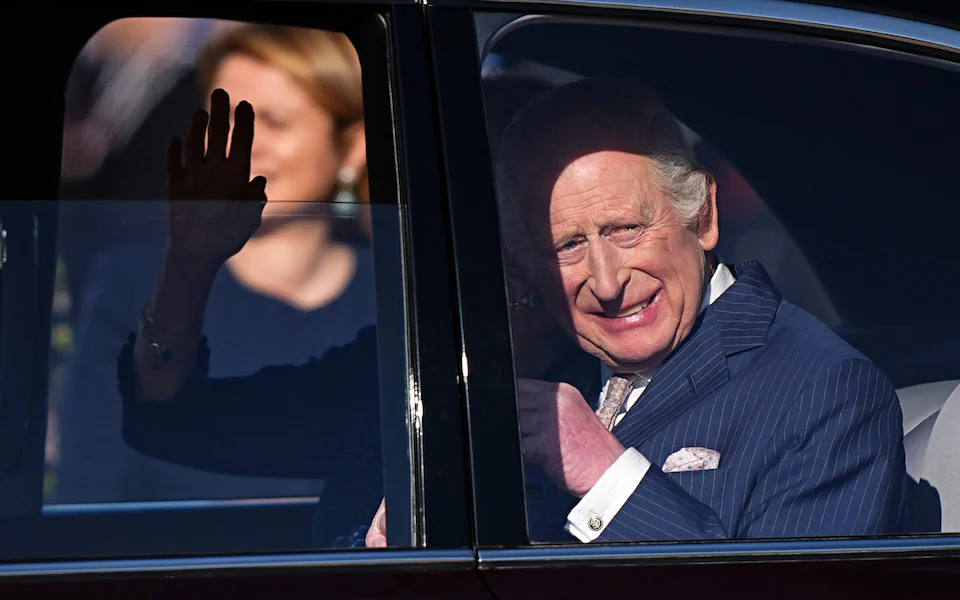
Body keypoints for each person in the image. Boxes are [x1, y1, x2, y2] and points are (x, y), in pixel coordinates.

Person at [120, 78, 907, 547]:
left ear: (701, 215)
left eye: (625, 229)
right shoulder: (473, 366)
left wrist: (606, 475)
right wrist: (190, 262)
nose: (606, 280)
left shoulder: (823, 390)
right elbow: (176, 424)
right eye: (563, 244)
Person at [54, 24, 374, 505]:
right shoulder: (136, 284)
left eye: (275, 122)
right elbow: (89, 494)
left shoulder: (398, 295)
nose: (243, 146)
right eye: (224, 122)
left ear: (352, 147)